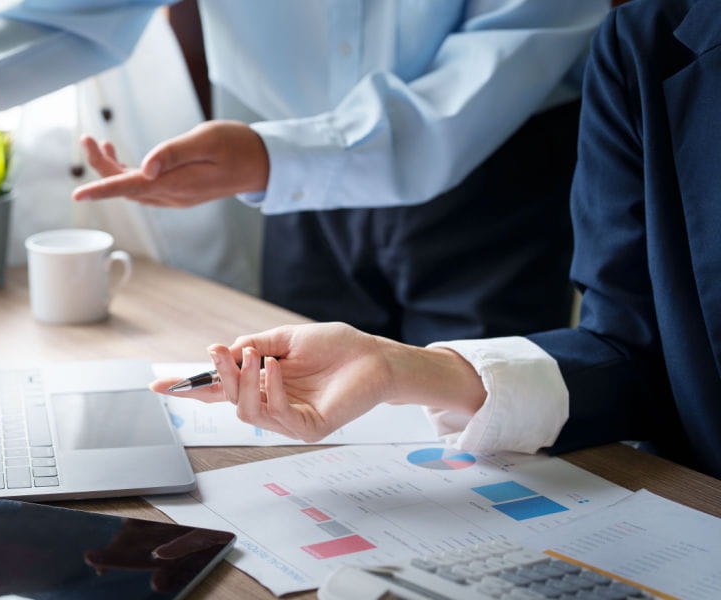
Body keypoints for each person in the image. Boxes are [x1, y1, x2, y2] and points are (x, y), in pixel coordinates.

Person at [0, 2, 609, 345]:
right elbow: (74, 15)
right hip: (296, 192)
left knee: (489, 452)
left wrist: (275, 156)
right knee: (307, 430)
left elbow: (492, 73)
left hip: (496, 184)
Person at [154, 0, 721, 479]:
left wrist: (283, 157)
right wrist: (394, 368)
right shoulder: (646, 48)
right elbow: (638, 357)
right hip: (294, 170)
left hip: (489, 164)